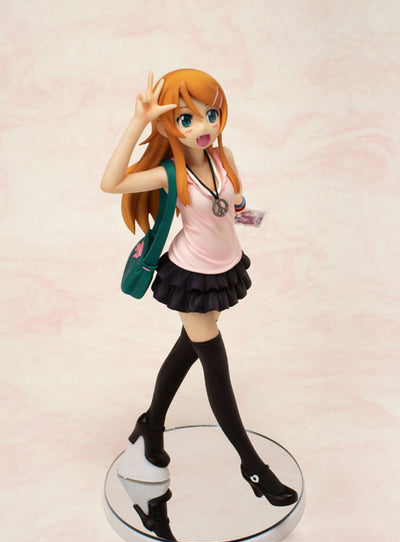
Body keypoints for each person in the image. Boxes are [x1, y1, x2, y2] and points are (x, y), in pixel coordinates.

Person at [101, 69, 297, 507]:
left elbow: (231, 209)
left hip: (224, 268)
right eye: (186, 119)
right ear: (168, 126)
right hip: (191, 275)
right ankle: (253, 465)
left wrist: (254, 215)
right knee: (215, 363)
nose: (203, 126)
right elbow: (111, 183)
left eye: (211, 114)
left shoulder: (224, 157)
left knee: (186, 348)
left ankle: (150, 425)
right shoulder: (171, 174)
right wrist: (139, 120)